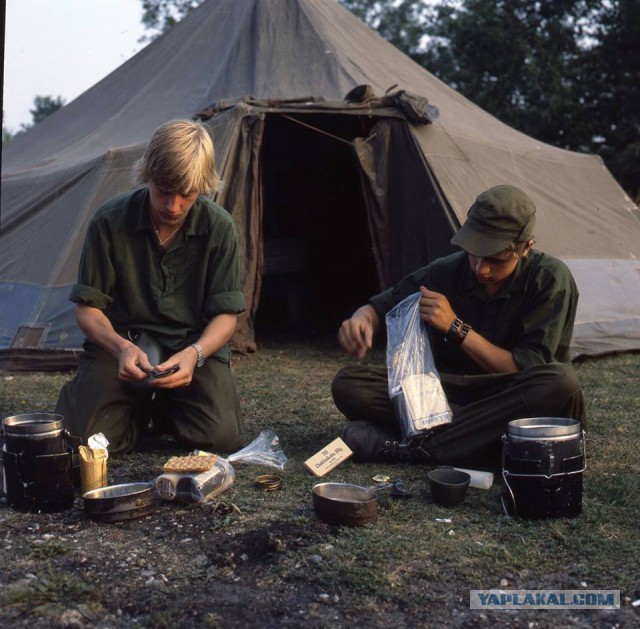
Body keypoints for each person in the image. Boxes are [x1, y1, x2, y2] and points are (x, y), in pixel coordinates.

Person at [332, 184, 586, 468]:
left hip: (512, 398)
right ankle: (481, 443)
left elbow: (525, 370)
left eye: (495, 259)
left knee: (562, 384)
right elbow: (378, 307)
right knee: (349, 385)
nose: (481, 269)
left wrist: (455, 327)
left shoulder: (550, 278)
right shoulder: (448, 270)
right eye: (474, 252)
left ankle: (422, 448)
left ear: (526, 246)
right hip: (452, 396)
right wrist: (361, 319)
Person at [55, 119, 246, 455]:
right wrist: (120, 348)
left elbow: (227, 316)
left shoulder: (220, 228)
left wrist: (195, 354)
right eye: (163, 190)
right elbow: (88, 309)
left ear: (203, 186)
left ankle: (167, 407)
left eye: (186, 194)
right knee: (85, 442)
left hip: (191, 347)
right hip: (124, 345)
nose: (172, 206)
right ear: (147, 176)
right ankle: (133, 405)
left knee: (221, 438)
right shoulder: (109, 220)